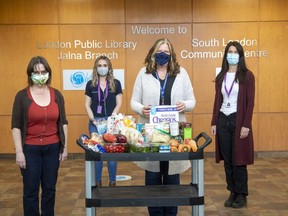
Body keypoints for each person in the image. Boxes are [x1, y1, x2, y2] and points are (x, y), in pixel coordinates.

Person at [130, 38, 196, 216]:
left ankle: (171, 213)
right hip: (151, 135)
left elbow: (192, 101)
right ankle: (155, 213)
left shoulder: (181, 74)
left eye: (167, 52)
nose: (163, 55)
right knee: (152, 176)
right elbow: (133, 102)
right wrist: (141, 108)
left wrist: (185, 105)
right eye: (160, 51)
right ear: (153, 52)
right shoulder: (143, 73)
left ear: (172, 54)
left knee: (172, 177)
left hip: (174, 134)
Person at [11, 56, 68, 216]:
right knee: (31, 190)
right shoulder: (22, 96)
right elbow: (15, 126)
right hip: (30, 149)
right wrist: (19, 151)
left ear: (48, 73)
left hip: (53, 148)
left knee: (50, 189)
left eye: (43, 71)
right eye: (36, 72)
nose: (40, 75)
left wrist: (65, 147)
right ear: (30, 74)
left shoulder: (56, 95)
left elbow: (63, 122)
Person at [211, 41, 255, 208]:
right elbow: (217, 101)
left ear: (240, 55)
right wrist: (214, 121)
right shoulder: (221, 76)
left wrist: (246, 125)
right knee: (228, 160)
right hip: (223, 120)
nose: (232, 54)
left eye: (235, 52)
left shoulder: (247, 76)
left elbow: (250, 103)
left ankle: (242, 194)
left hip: (239, 120)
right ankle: (232, 191)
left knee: (239, 159)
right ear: (225, 54)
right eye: (229, 51)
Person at [84, 55, 123, 187]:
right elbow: (87, 105)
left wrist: (112, 118)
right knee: (97, 152)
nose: (102, 68)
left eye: (105, 65)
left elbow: (119, 103)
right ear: (96, 68)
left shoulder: (116, 83)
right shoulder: (90, 85)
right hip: (95, 123)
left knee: (111, 152)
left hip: (110, 122)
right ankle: (98, 181)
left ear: (109, 67)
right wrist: (92, 119)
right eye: (99, 65)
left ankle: (112, 181)